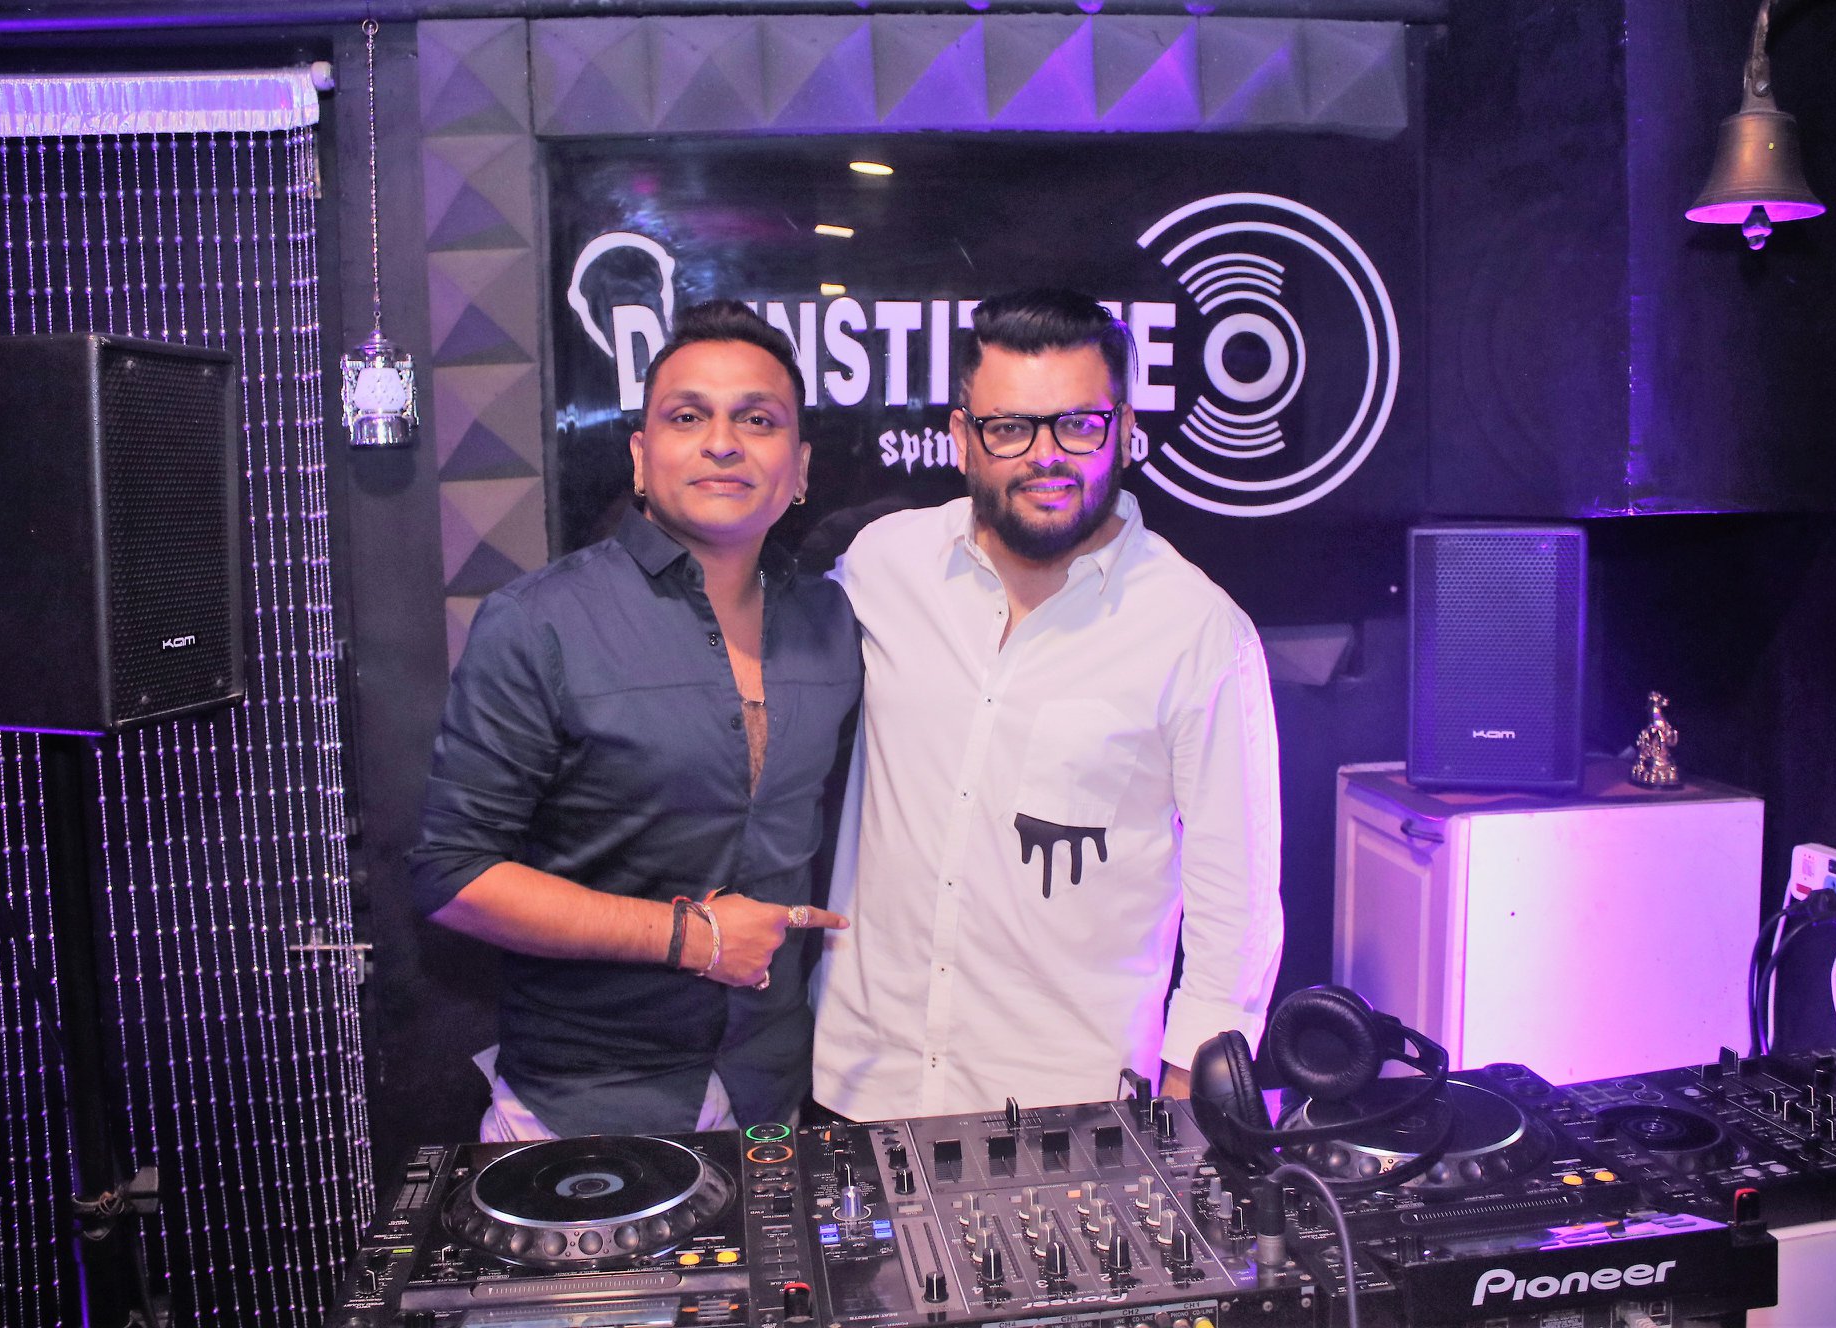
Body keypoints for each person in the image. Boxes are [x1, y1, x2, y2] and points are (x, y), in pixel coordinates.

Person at [812, 288, 1283, 1120]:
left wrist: (1189, 1105)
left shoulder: (1198, 629)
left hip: (1069, 1111)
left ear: (1124, 430)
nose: (1046, 456)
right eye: (1009, 428)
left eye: (1078, 424)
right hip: (857, 1083)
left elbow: (1235, 906)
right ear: (963, 437)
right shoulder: (883, 565)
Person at [410, 299, 859, 1140]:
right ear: (641, 458)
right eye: (688, 416)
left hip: (775, 1092)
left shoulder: (834, 625)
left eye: (757, 419)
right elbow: (452, 876)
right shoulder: (540, 622)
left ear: (799, 469)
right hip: (584, 1104)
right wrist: (690, 937)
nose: (722, 442)